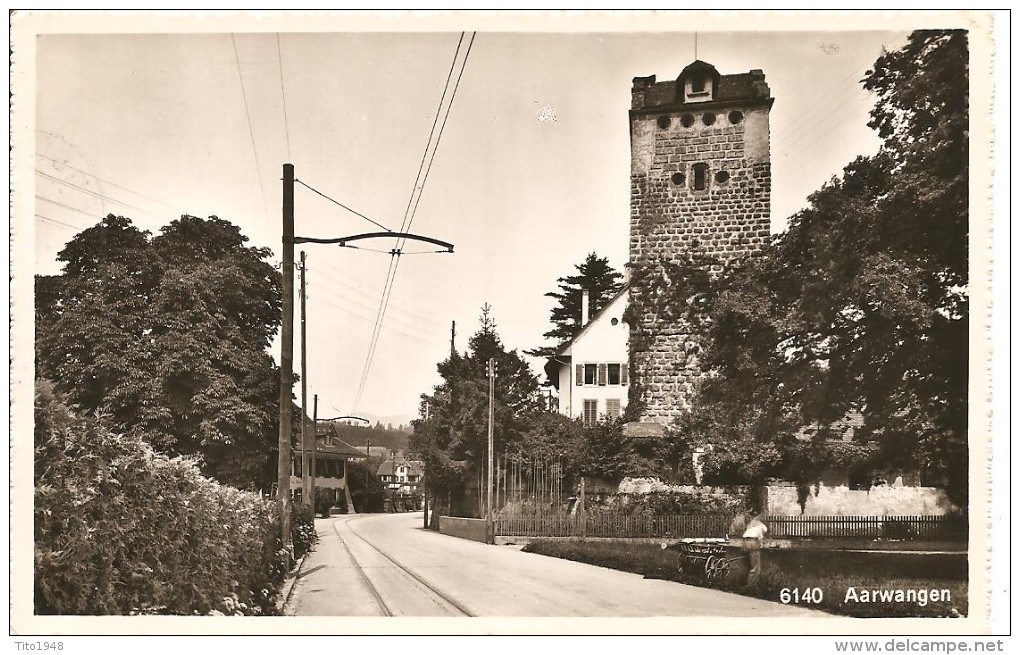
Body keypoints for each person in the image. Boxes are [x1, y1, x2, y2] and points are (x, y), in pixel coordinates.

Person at [741, 512, 768, 586]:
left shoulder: (750, 525)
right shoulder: (761, 526)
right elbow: (761, 538)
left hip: (745, 542)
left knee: (748, 565)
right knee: (755, 567)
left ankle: (746, 583)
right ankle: (751, 586)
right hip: (753, 542)